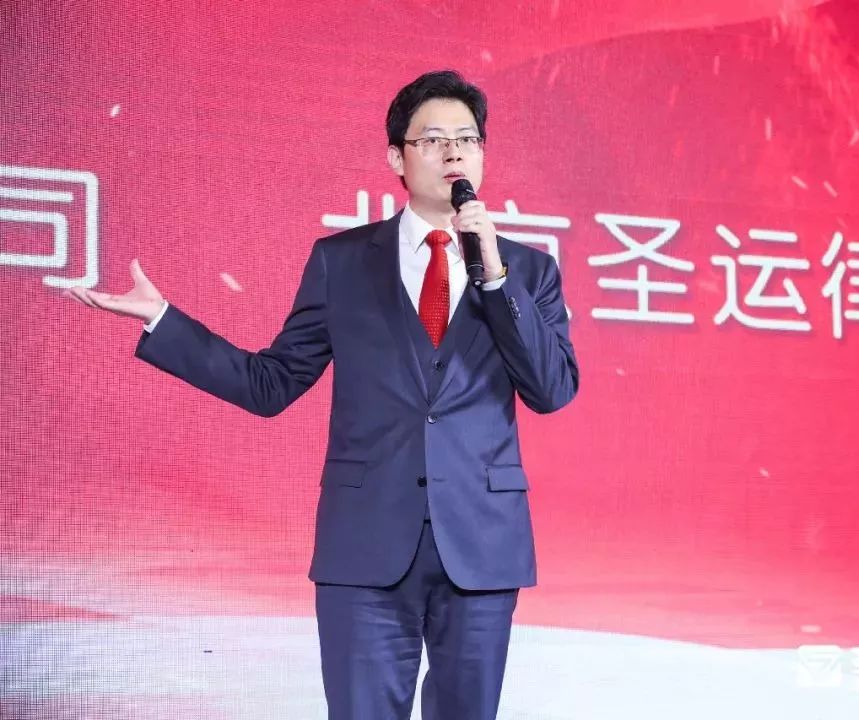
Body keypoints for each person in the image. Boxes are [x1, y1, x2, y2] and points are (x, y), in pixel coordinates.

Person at [63, 69, 579, 720]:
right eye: (433, 139)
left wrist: (496, 277)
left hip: (483, 545)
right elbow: (271, 383)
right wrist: (164, 321)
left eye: (467, 139)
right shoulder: (342, 261)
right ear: (396, 157)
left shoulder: (528, 270)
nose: (453, 152)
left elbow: (551, 389)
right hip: (364, 546)